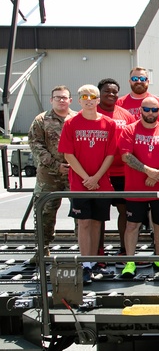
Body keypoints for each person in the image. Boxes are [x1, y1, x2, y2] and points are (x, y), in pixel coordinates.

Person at [57, 85, 116, 284]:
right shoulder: (71, 123)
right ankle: (85, 264)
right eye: (84, 96)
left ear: (98, 100)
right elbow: (68, 154)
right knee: (83, 223)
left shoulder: (109, 124)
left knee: (97, 223)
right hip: (80, 183)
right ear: (79, 100)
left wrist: (97, 177)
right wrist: (86, 178)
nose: (89, 100)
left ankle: (94, 261)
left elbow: (110, 154)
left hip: (101, 183)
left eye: (93, 96)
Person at [119, 95, 159, 278]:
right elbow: (125, 156)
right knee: (132, 225)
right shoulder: (130, 130)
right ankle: (130, 261)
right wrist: (148, 171)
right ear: (140, 110)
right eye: (147, 109)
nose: (150, 113)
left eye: (154, 110)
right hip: (135, 189)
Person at [27, 85, 73, 261]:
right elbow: (36, 146)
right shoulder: (41, 120)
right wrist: (55, 165)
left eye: (64, 97)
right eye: (57, 97)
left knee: (80, 212)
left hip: (73, 173)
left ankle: (85, 252)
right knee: (44, 213)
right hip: (48, 176)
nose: (61, 100)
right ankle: (42, 250)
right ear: (51, 99)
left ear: (70, 100)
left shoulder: (76, 119)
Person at [96, 78, 136, 255]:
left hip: (123, 173)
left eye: (114, 91)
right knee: (99, 215)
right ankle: (99, 250)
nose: (111, 94)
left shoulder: (126, 115)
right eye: (106, 91)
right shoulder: (91, 113)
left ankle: (124, 249)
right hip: (99, 174)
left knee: (125, 212)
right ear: (99, 93)